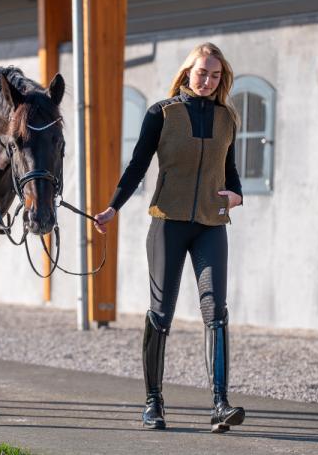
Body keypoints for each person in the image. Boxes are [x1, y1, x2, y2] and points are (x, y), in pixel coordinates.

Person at [93, 42, 246, 433]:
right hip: (169, 225)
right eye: (202, 73)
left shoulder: (227, 118)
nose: (208, 81)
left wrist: (237, 195)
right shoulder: (162, 113)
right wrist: (113, 207)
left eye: (215, 75)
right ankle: (153, 403)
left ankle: (220, 404)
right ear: (187, 72)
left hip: (211, 226)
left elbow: (231, 174)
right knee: (161, 315)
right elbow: (137, 165)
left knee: (216, 311)